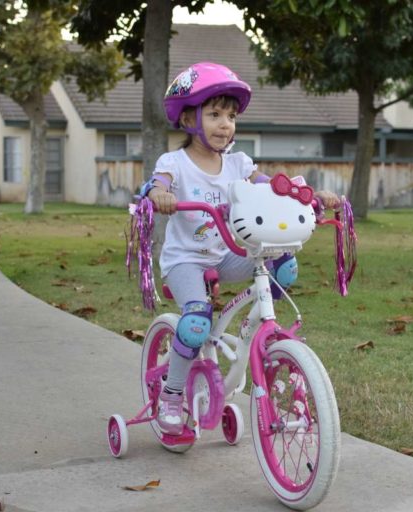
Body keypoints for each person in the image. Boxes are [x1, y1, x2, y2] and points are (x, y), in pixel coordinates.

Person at [140, 62, 339, 435]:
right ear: (187, 119)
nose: (225, 124)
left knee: (284, 265)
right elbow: (158, 183)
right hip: (186, 261)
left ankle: (257, 325)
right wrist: (160, 195)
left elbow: (272, 187)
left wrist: (308, 196)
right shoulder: (174, 163)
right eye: (214, 114)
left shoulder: (237, 163)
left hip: (227, 252)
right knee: (197, 321)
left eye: (230, 116)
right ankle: (171, 393)